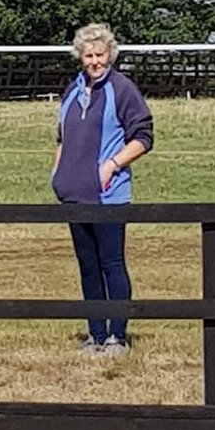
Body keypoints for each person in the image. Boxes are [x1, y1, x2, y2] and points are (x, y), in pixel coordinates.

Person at [51, 21, 154, 354]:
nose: (94, 61)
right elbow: (62, 138)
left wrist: (111, 166)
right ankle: (95, 334)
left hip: (109, 196)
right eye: (88, 55)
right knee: (88, 266)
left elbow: (143, 137)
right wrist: (57, 173)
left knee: (111, 263)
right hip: (74, 195)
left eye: (100, 54)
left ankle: (118, 335)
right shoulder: (73, 89)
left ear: (110, 54)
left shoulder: (122, 89)